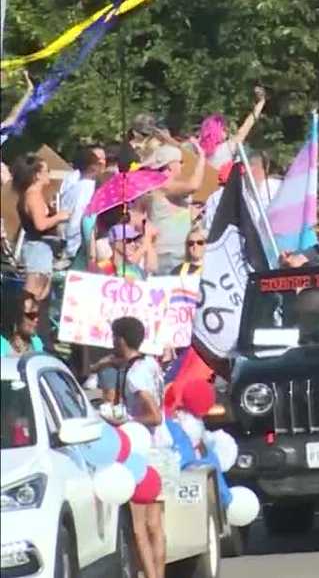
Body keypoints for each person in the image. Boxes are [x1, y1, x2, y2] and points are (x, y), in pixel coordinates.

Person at [110, 317, 167, 578]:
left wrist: (127, 420)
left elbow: (155, 416)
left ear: (121, 340)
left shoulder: (134, 376)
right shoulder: (151, 365)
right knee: (156, 525)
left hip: (142, 453)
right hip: (163, 449)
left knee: (139, 528)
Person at [146, 141, 207, 273]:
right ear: (169, 166)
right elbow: (194, 186)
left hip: (181, 254)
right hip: (168, 256)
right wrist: (202, 158)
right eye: (180, 162)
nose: (182, 166)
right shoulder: (162, 184)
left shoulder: (172, 187)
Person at [12, 156, 69, 274]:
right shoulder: (33, 195)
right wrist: (59, 217)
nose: (49, 174)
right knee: (36, 288)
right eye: (47, 171)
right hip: (37, 248)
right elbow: (40, 224)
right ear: (37, 175)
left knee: (42, 287)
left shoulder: (30, 194)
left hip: (39, 248)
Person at [198, 86, 267, 182]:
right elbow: (247, 126)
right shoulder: (227, 148)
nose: (227, 130)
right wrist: (261, 103)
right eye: (224, 128)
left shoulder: (198, 151)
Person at [60, 145, 107, 260]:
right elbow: (78, 217)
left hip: (70, 242)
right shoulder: (87, 188)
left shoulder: (73, 188)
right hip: (79, 247)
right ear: (93, 167)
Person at [0, 289, 45, 357]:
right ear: (15, 319)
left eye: (38, 315)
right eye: (31, 315)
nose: (36, 319)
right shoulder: (2, 344)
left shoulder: (37, 342)